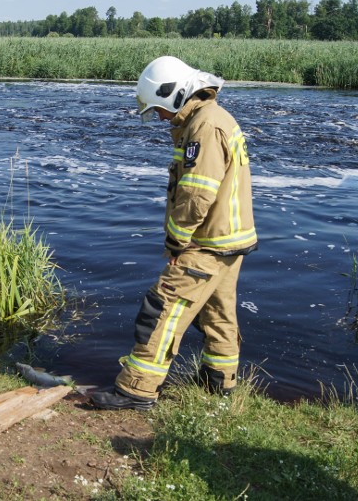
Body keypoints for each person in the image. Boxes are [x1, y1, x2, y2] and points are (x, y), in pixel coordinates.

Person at [91, 56, 257, 410]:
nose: (161, 118)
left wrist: (177, 240)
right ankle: (219, 381)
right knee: (218, 312)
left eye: (160, 110)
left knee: (163, 308)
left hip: (206, 242)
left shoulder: (204, 127)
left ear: (175, 94)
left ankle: (136, 388)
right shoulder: (213, 118)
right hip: (229, 241)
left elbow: (197, 193)